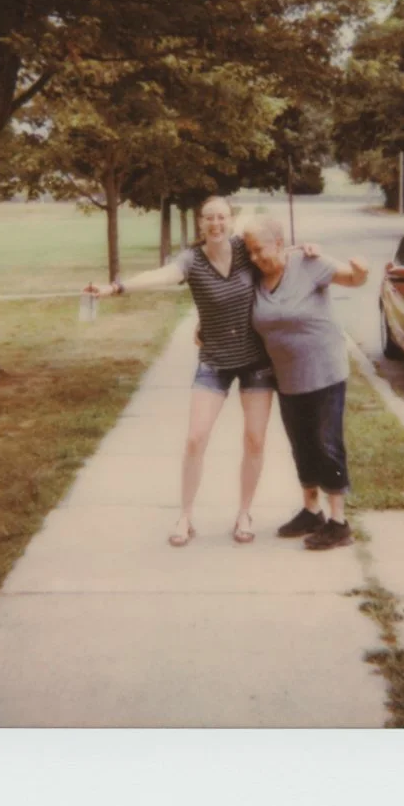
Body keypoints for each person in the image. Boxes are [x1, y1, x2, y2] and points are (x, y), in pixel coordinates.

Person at [86, 196, 277, 548]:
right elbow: (162, 275)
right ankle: (185, 516)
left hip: (255, 361)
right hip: (215, 361)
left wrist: (308, 252)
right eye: (209, 218)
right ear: (201, 224)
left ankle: (244, 513)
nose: (216, 224)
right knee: (195, 438)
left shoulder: (244, 250)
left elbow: (278, 254)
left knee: (255, 439)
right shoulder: (192, 260)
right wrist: (117, 287)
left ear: (230, 220)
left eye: (222, 217)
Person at [239, 214, 369, 551]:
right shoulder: (255, 277)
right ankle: (312, 512)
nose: (254, 258)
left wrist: (361, 269)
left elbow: (353, 279)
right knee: (302, 447)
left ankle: (339, 522)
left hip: (325, 372)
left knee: (327, 444)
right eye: (249, 252)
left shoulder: (309, 264)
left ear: (278, 243)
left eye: (259, 250)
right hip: (288, 378)